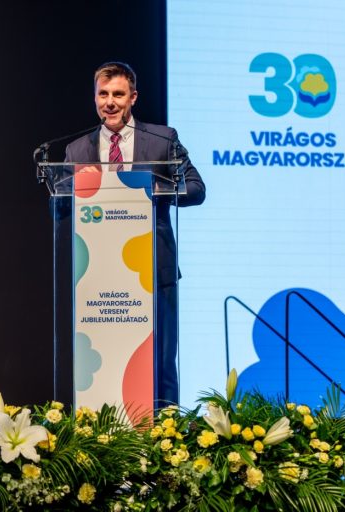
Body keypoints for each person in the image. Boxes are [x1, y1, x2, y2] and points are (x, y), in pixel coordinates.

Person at [64, 61, 206, 405]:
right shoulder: (77, 150)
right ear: (95, 97)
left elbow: (196, 188)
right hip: (98, 276)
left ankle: (167, 432)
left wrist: (148, 190)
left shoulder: (162, 140)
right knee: (103, 363)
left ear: (133, 97)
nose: (109, 102)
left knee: (161, 363)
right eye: (103, 94)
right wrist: (75, 191)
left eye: (118, 94)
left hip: (153, 270)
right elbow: (61, 206)